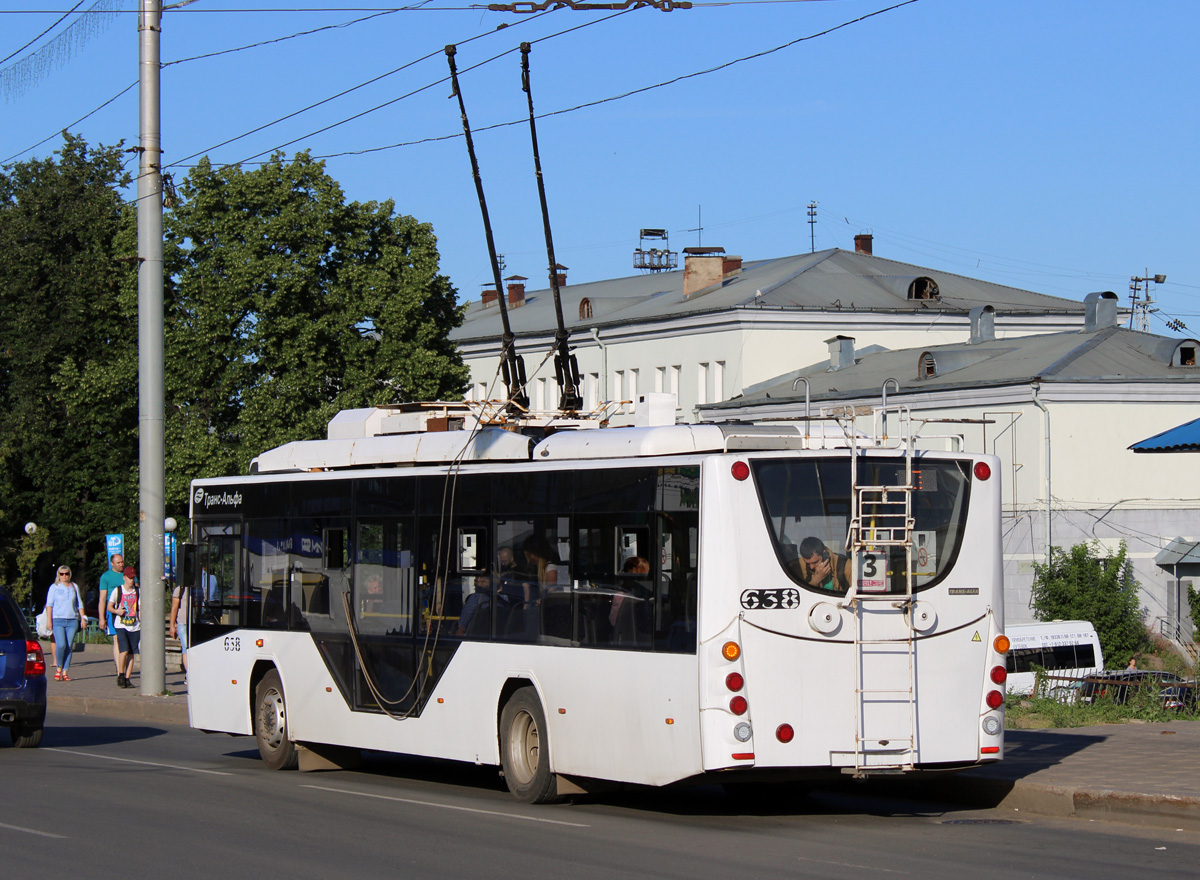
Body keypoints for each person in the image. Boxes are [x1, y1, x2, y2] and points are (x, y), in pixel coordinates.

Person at [44, 565, 87, 681]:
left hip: (72, 620)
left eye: (66, 573)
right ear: (58, 575)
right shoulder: (54, 587)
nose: (64, 576)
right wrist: (49, 620)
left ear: (70, 574)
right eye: (62, 574)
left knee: (69, 646)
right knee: (61, 644)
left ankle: (65, 671)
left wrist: (83, 618)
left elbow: (80, 604)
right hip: (58, 620)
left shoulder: (74, 586)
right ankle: (59, 666)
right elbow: (49, 605)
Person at [108, 565, 141, 688]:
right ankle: (121, 674)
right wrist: (117, 611)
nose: (132, 580)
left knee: (132, 653)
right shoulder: (118, 590)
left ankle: (127, 678)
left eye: (133, 578)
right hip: (121, 624)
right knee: (124, 650)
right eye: (129, 578)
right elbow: (109, 606)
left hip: (135, 625)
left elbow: (140, 608)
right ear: (124, 577)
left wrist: (141, 619)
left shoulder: (138, 591)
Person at [99, 552, 125, 677]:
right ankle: (119, 669)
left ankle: (123, 666)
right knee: (117, 639)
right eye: (118, 562)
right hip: (113, 611)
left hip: (128, 611)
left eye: (122, 562)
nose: (121, 564)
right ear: (112, 563)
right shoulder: (106, 577)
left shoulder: (128, 575)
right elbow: (102, 599)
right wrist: (101, 618)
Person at [168, 580, 190, 675]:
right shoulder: (180, 589)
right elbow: (174, 608)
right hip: (182, 622)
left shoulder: (199, 587)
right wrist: (172, 626)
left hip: (194, 622)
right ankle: (188, 674)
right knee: (186, 648)